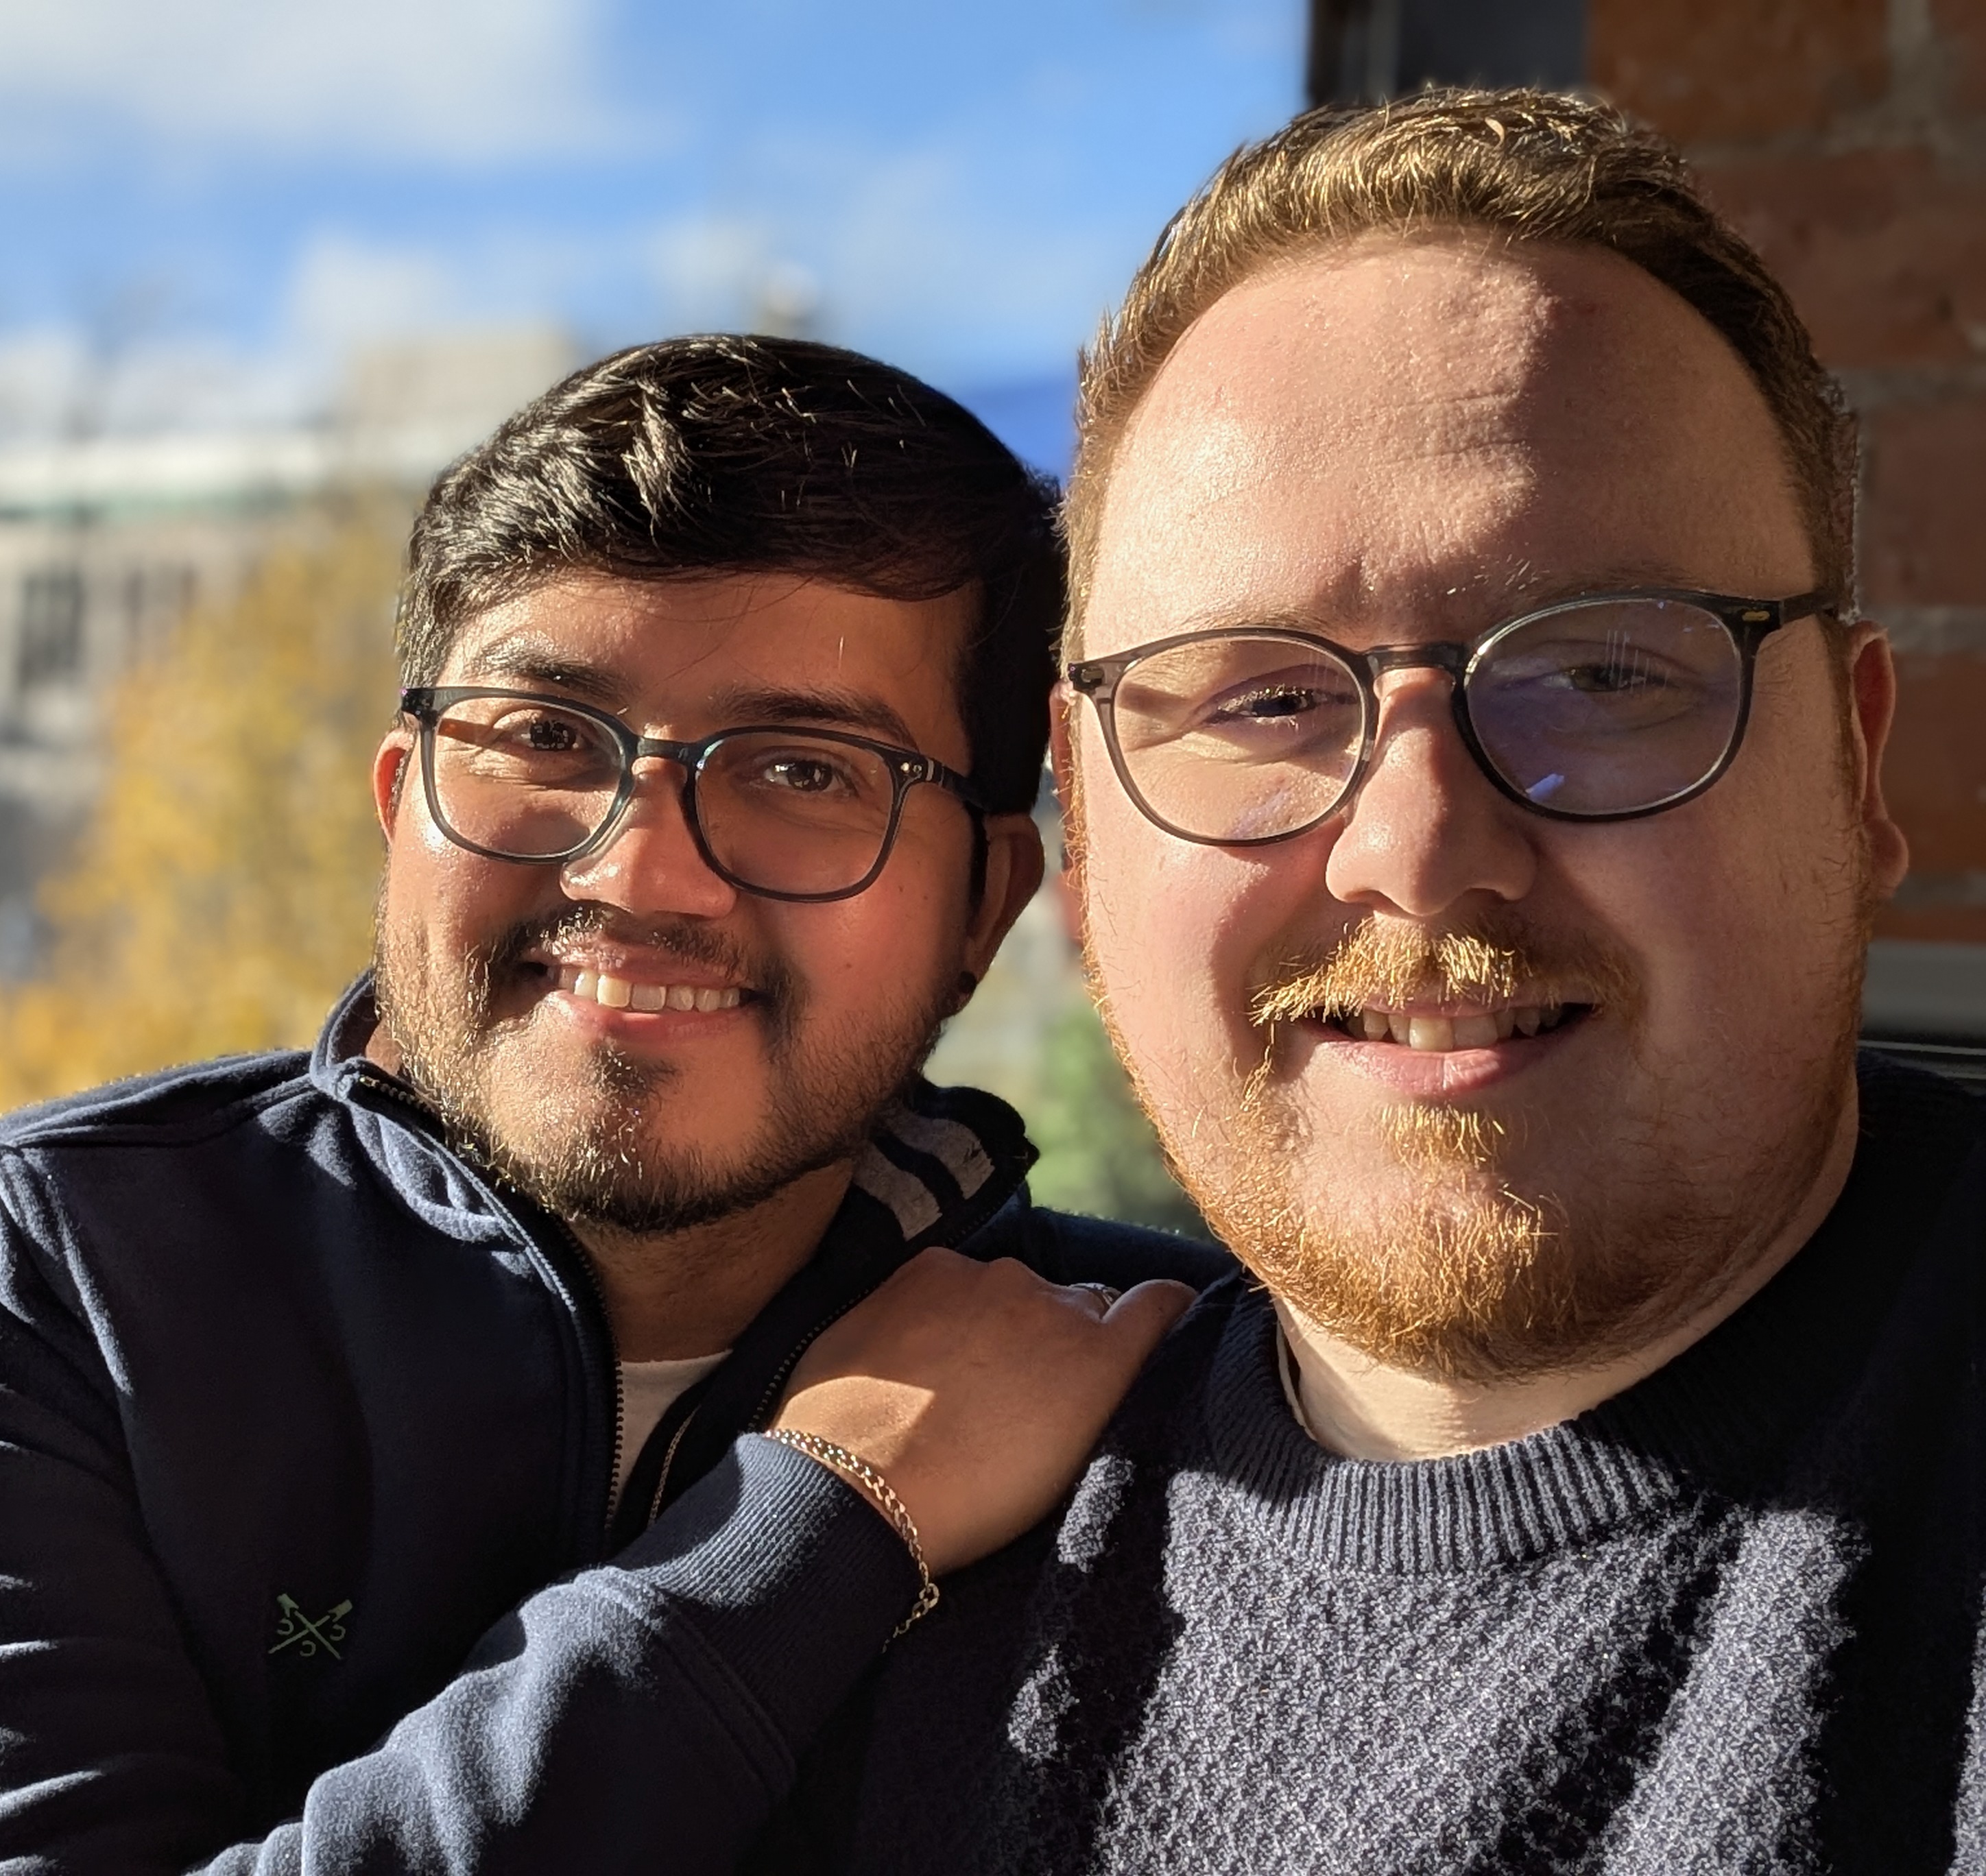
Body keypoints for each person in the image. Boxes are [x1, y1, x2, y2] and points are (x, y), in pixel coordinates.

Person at [0, 334, 1224, 1875]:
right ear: (401, 806)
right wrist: (819, 1529)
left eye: (802, 771)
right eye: (543, 738)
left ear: (984, 905)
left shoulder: (1194, 1387)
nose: (642, 872)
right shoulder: (29, 1279)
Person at [785, 91, 1986, 1873]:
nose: (1419, 851)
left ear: (1856, 770)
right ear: (1088, 844)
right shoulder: (871, 1578)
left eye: (1598, 670)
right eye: (1260, 700)